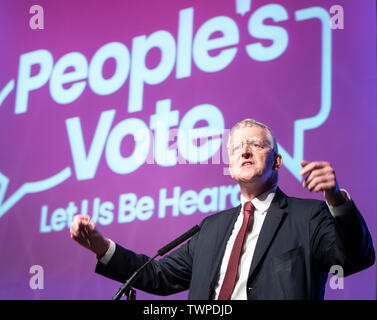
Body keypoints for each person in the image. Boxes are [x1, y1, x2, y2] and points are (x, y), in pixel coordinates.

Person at [70, 119, 375, 299]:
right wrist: (101, 246)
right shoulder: (211, 228)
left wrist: (336, 200)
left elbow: (355, 259)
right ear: (229, 166)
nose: (244, 150)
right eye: (237, 147)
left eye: (256, 144)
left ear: (278, 161)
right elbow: (159, 276)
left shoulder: (308, 216)